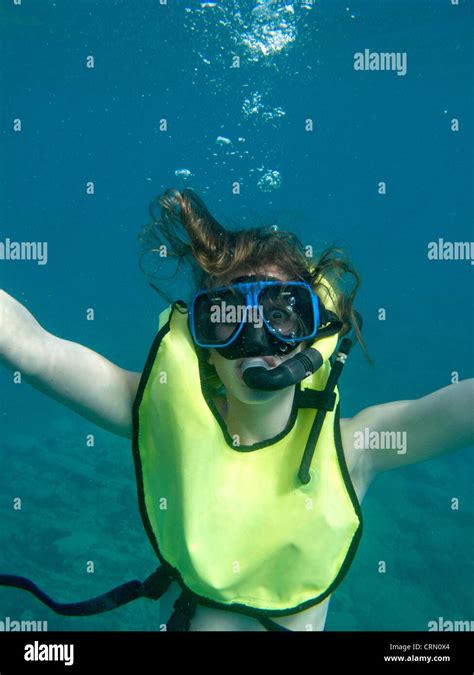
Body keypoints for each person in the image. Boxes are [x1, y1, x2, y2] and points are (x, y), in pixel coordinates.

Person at [0, 188, 472, 632]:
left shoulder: (356, 448)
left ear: (312, 334)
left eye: (281, 314)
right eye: (226, 319)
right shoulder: (155, 415)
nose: (257, 343)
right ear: (204, 346)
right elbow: (35, 351)